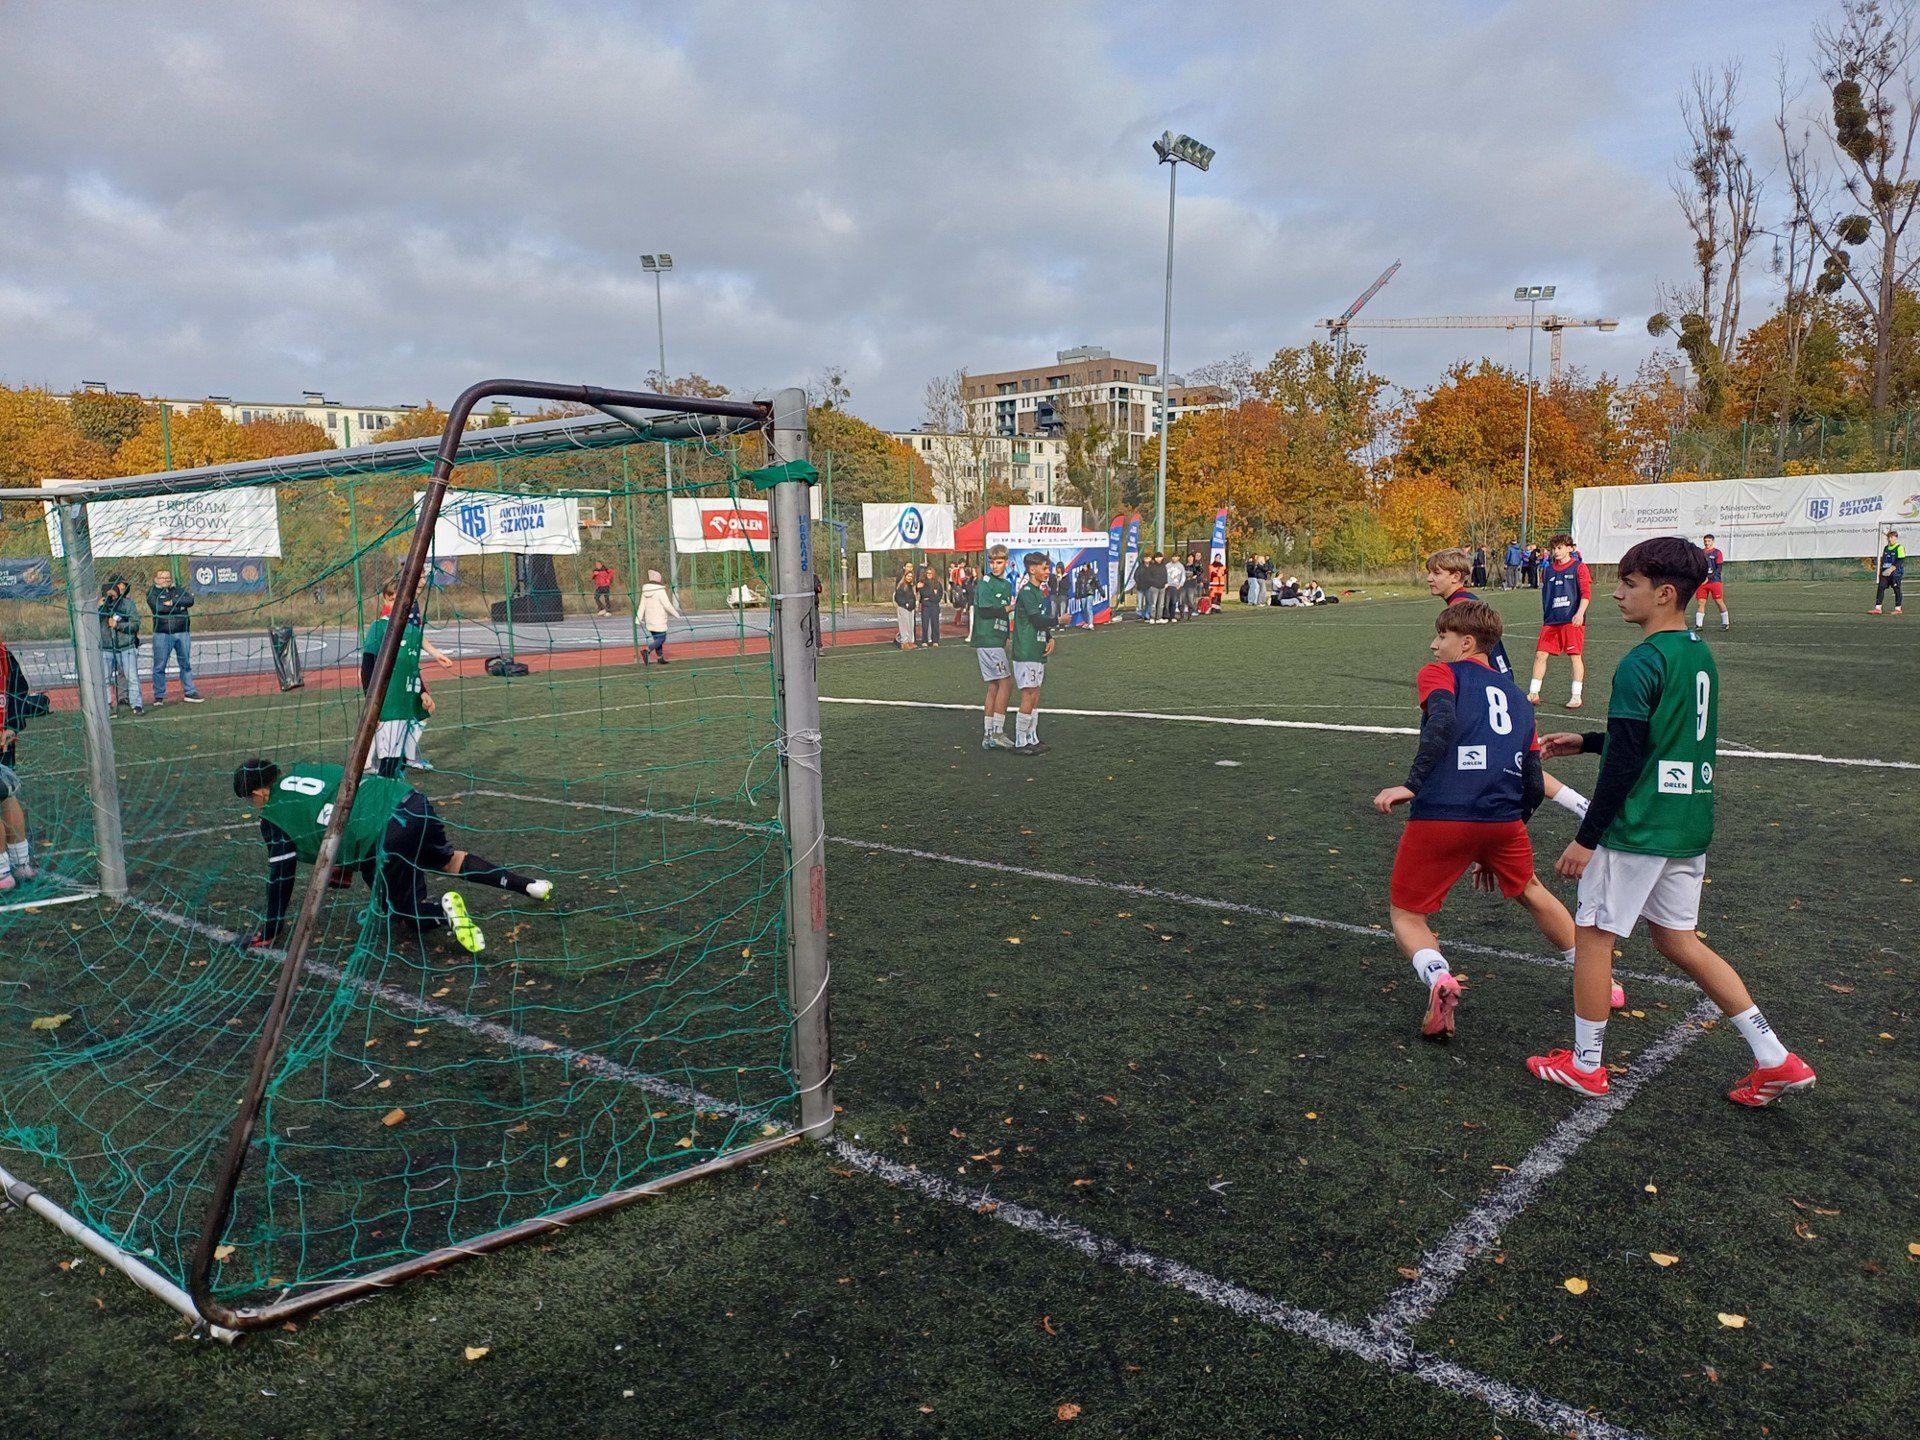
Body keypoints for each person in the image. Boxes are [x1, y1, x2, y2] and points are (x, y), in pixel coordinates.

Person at [1530, 537, 1816, 1106]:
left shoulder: (1643, 659)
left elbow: (1632, 760)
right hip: (1688, 820)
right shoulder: (1697, 652)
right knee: (1676, 939)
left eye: (1629, 584)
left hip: (1640, 824)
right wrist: (1589, 741)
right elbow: (1664, 739)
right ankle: (1775, 1058)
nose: (1616, 592)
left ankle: (1586, 1066)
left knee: (1591, 937)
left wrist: (1588, 838)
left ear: (1663, 593)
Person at [1371, 600, 1577, 1040]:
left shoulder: (1439, 673)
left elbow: (1441, 720)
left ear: (1466, 642)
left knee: (1407, 915)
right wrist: (1497, 838)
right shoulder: (1521, 700)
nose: (1433, 645)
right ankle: (1599, 978)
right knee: (1532, 891)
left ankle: (1440, 978)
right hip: (1502, 819)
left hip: (1441, 815)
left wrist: (1413, 784)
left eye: (1441, 637)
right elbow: (1534, 783)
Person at [232, 758, 551, 957]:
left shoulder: (272, 816)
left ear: (257, 793)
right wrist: (344, 863)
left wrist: (272, 927)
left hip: (383, 831)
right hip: (407, 800)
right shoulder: (307, 769)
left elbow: (281, 876)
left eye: (251, 800)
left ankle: (444, 911)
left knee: (403, 913)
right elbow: (333, 807)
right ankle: (529, 886)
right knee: (449, 860)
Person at [361, 580, 452, 775]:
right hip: (389, 704)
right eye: (394, 600)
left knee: (399, 760)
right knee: (390, 762)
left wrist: (423, 693)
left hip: (407, 703)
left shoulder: (411, 631)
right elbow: (367, 666)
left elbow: (411, 667)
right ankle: (376, 781)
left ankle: (405, 764)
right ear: (386, 600)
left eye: (403, 601)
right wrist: (371, 704)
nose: (398, 605)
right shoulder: (378, 628)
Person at [1527, 534, 1591, 710]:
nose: (1556, 551)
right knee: (1540, 654)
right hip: (1551, 620)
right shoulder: (1547, 570)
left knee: (1574, 657)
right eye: (1554, 548)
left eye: (1560, 547)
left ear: (1570, 548)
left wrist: (1579, 613)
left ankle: (1576, 696)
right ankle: (1533, 693)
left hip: (1572, 620)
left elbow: (1586, 594)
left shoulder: (1579, 568)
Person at [0, 627, 37, 890]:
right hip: (5, 737)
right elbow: (18, 691)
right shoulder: (3, 653)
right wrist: (11, 726)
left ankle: (2, 874)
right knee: (6, 797)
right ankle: (20, 865)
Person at [1009, 552, 1057, 755]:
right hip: (1026, 650)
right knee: (1028, 693)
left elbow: (1040, 621)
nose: (1047, 572)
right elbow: (1037, 620)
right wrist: (1058, 622)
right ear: (1032, 569)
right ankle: (1021, 741)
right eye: (1044, 568)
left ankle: (1032, 737)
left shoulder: (1038, 592)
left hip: (1036, 650)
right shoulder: (1027, 592)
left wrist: (1049, 637)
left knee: (1035, 694)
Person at [971, 545, 1017, 750]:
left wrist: (1006, 637)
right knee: (1006, 683)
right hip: (987, 639)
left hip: (996, 639)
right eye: (992, 562)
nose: (995, 566)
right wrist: (1012, 606)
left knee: (994, 686)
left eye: (999, 562)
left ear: (1006, 562)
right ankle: (998, 732)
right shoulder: (985, 584)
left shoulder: (1006, 585)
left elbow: (1004, 616)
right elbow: (987, 611)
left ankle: (988, 733)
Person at [146, 567, 203, 706]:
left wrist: (172, 604)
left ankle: (189, 691)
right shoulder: (152, 593)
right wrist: (179, 607)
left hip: (182, 631)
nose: (166, 580)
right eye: (163, 577)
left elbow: (190, 600)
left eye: (168, 577)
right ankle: (159, 695)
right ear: (156, 579)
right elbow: (159, 609)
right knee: (159, 666)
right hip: (162, 633)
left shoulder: (179, 590)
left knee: (185, 664)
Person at [99, 576, 143, 715]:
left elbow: (135, 624)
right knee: (105, 678)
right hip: (106, 647)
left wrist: (119, 626)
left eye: (114, 594)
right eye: (108, 595)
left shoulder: (128, 605)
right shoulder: (99, 607)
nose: (111, 597)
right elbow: (89, 625)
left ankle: (137, 704)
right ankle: (107, 705)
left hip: (125, 646)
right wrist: (98, 608)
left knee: (132, 677)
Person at [636, 568, 683, 664]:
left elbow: (642, 605)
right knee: (662, 638)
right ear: (658, 579)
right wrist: (676, 614)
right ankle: (647, 650)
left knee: (657, 639)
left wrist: (638, 618)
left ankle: (660, 657)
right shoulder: (660, 590)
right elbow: (667, 605)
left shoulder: (645, 590)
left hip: (649, 620)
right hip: (659, 619)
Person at [1692, 534, 1730, 632]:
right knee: (1700, 602)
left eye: (1709, 541)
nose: (1707, 543)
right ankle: (1698, 625)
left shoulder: (1717, 552)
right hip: (1702, 582)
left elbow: (1719, 568)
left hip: (1714, 581)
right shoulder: (1700, 553)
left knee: (1719, 601)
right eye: (1705, 541)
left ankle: (1725, 623)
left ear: (1713, 541)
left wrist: (1708, 578)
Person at [1871, 527, 1905, 615]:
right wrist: (1881, 571)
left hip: (1895, 573)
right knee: (1881, 588)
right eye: (1889, 537)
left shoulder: (1899, 547)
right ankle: (1878, 608)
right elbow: (1884, 560)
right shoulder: (1886, 548)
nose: (1890, 539)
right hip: (1885, 573)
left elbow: (1900, 560)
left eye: (1892, 537)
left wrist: (1891, 569)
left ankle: (1898, 608)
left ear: (1896, 538)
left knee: (1896, 589)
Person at [917, 564, 944, 647]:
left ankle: (935, 640)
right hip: (926, 606)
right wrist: (932, 594)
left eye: (930, 573)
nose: (929, 574)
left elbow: (939, 596)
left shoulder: (937, 583)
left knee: (935, 624)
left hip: (935, 606)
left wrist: (929, 598)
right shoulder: (922, 583)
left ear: (933, 574)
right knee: (925, 624)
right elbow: (924, 593)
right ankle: (924, 640)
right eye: (927, 573)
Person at [892, 567, 916, 648]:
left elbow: (913, 597)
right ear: (905, 577)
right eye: (908, 576)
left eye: (911, 576)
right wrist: (905, 603)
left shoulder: (911, 586)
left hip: (911, 608)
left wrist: (913, 605)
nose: (909, 578)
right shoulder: (901, 586)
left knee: (910, 625)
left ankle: (910, 641)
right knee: (904, 625)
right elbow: (898, 597)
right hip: (903, 608)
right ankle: (904, 642)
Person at [1163, 554, 1187, 623]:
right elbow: (1163, 575)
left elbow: (1183, 576)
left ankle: (1172, 616)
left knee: (1173, 602)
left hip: (1176, 587)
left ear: (1178, 558)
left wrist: (1180, 585)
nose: (1174, 558)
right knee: (1166, 602)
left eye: (1176, 557)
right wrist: (1165, 583)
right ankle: (1165, 616)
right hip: (1168, 586)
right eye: (1173, 557)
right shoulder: (1167, 565)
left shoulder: (1181, 566)